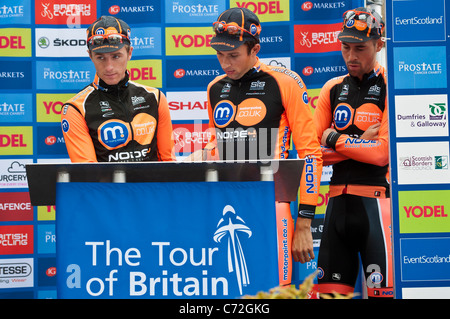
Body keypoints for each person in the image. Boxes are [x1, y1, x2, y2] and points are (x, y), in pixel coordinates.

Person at [205, 7, 323, 287]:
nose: (225, 63)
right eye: (220, 55)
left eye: (233, 55)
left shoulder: (284, 82)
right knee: (229, 287)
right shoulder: (214, 88)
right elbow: (218, 148)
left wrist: (305, 222)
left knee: (276, 290)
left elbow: (310, 153)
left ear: (254, 48)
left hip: (273, 202)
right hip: (228, 202)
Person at [314, 7, 393, 298]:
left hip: (377, 208)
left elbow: (382, 154)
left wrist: (334, 137)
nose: (351, 56)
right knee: (329, 297)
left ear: (379, 45)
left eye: (360, 48)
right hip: (335, 209)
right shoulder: (331, 89)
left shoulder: (390, 87)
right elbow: (314, 153)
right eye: (346, 47)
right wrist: (360, 141)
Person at [61, 15, 175, 162]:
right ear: (90, 56)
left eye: (116, 56)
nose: (109, 67)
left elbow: (168, 162)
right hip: (106, 186)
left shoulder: (155, 98)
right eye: (100, 57)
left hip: (152, 185)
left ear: (129, 53)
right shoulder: (75, 108)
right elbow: (88, 175)